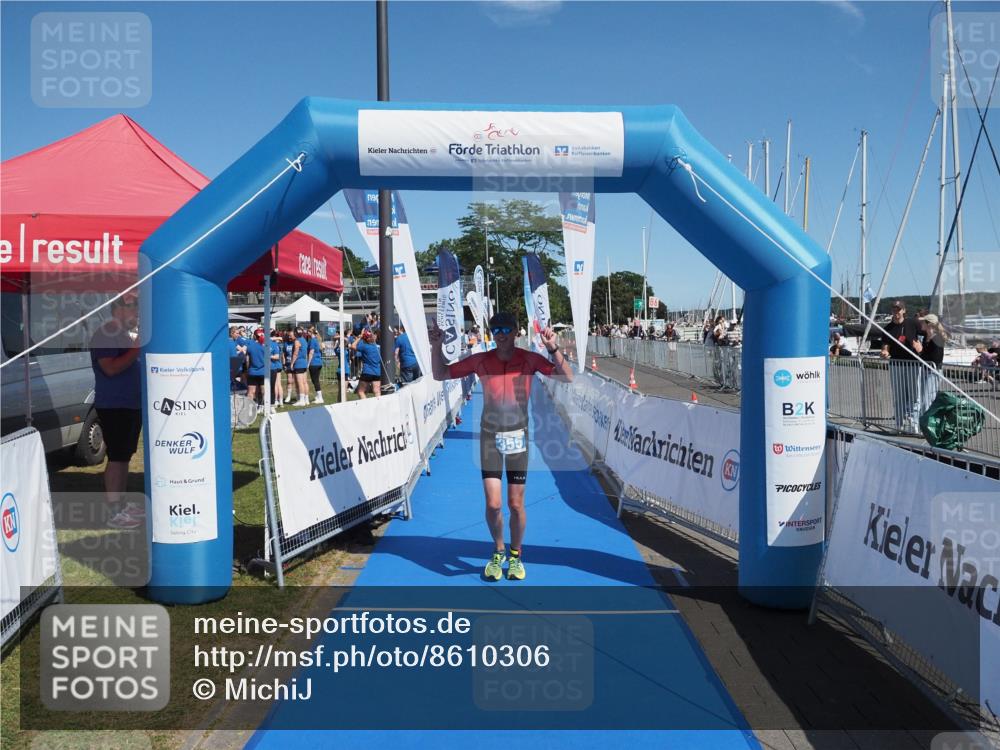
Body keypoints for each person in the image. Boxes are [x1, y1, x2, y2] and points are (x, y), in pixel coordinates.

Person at [429, 311, 574, 582]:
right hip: (489, 438)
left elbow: (567, 376)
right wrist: (435, 346)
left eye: (506, 329)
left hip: (518, 436)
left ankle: (516, 555)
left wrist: (553, 347)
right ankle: (498, 552)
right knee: (494, 504)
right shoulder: (482, 360)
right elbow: (440, 374)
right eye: (496, 330)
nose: (501, 334)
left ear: (516, 332)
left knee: (515, 504)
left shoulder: (529, 359)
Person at [90, 293, 143, 530]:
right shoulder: (105, 333)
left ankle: (120, 506)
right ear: (120, 308)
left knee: (123, 456)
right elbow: (110, 369)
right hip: (115, 405)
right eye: (135, 307)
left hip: (128, 404)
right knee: (117, 457)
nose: (138, 313)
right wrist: (137, 349)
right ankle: (114, 512)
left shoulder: (120, 334)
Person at [880, 300, 922, 433]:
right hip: (896, 364)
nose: (896, 312)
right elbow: (885, 346)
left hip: (913, 364)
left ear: (904, 310)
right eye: (894, 309)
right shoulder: (887, 328)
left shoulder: (912, 323)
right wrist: (885, 352)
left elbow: (927, 333)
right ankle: (899, 424)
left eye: (898, 309)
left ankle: (914, 424)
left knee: (914, 395)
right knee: (899, 396)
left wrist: (922, 347)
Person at [917, 313, 947, 415]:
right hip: (926, 370)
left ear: (929, 324)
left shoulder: (937, 338)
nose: (921, 323)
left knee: (927, 399)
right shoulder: (927, 337)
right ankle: (925, 422)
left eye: (923, 322)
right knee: (924, 398)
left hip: (933, 371)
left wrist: (920, 351)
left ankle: (927, 423)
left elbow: (936, 358)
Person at [350, 329, 382, 398]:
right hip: (377, 372)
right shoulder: (378, 347)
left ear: (366, 339)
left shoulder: (365, 346)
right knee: (377, 391)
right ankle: (379, 406)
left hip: (367, 371)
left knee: (360, 391)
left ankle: (366, 407)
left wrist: (360, 337)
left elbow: (353, 346)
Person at [245, 327, 269, 405]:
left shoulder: (250, 346)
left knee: (251, 391)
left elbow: (247, 360)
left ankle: (249, 409)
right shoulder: (265, 346)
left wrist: (247, 370)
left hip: (252, 372)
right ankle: (263, 406)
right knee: (263, 391)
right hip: (263, 371)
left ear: (255, 336)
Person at [306, 327, 325, 404]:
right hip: (319, 362)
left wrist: (308, 364)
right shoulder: (317, 340)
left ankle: (320, 397)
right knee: (315, 380)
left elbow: (311, 352)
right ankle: (318, 396)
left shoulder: (312, 341)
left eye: (308, 332)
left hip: (314, 363)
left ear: (311, 333)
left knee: (315, 381)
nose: (307, 333)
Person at [269, 330, 283, 408]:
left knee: (275, 384)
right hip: (278, 365)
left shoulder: (272, 344)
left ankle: (276, 401)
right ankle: (280, 401)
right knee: (278, 384)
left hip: (275, 365)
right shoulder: (278, 344)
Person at [282, 331, 296, 403]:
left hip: (296, 364)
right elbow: (283, 354)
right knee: (289, 381)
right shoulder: (286, 344)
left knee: (297, 381)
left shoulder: (296, 342)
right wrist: (284, 364)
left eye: (291, 336)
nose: (289, 337)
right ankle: (288, 396)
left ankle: (300, 396)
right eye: (288, 336)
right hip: (288, 364)